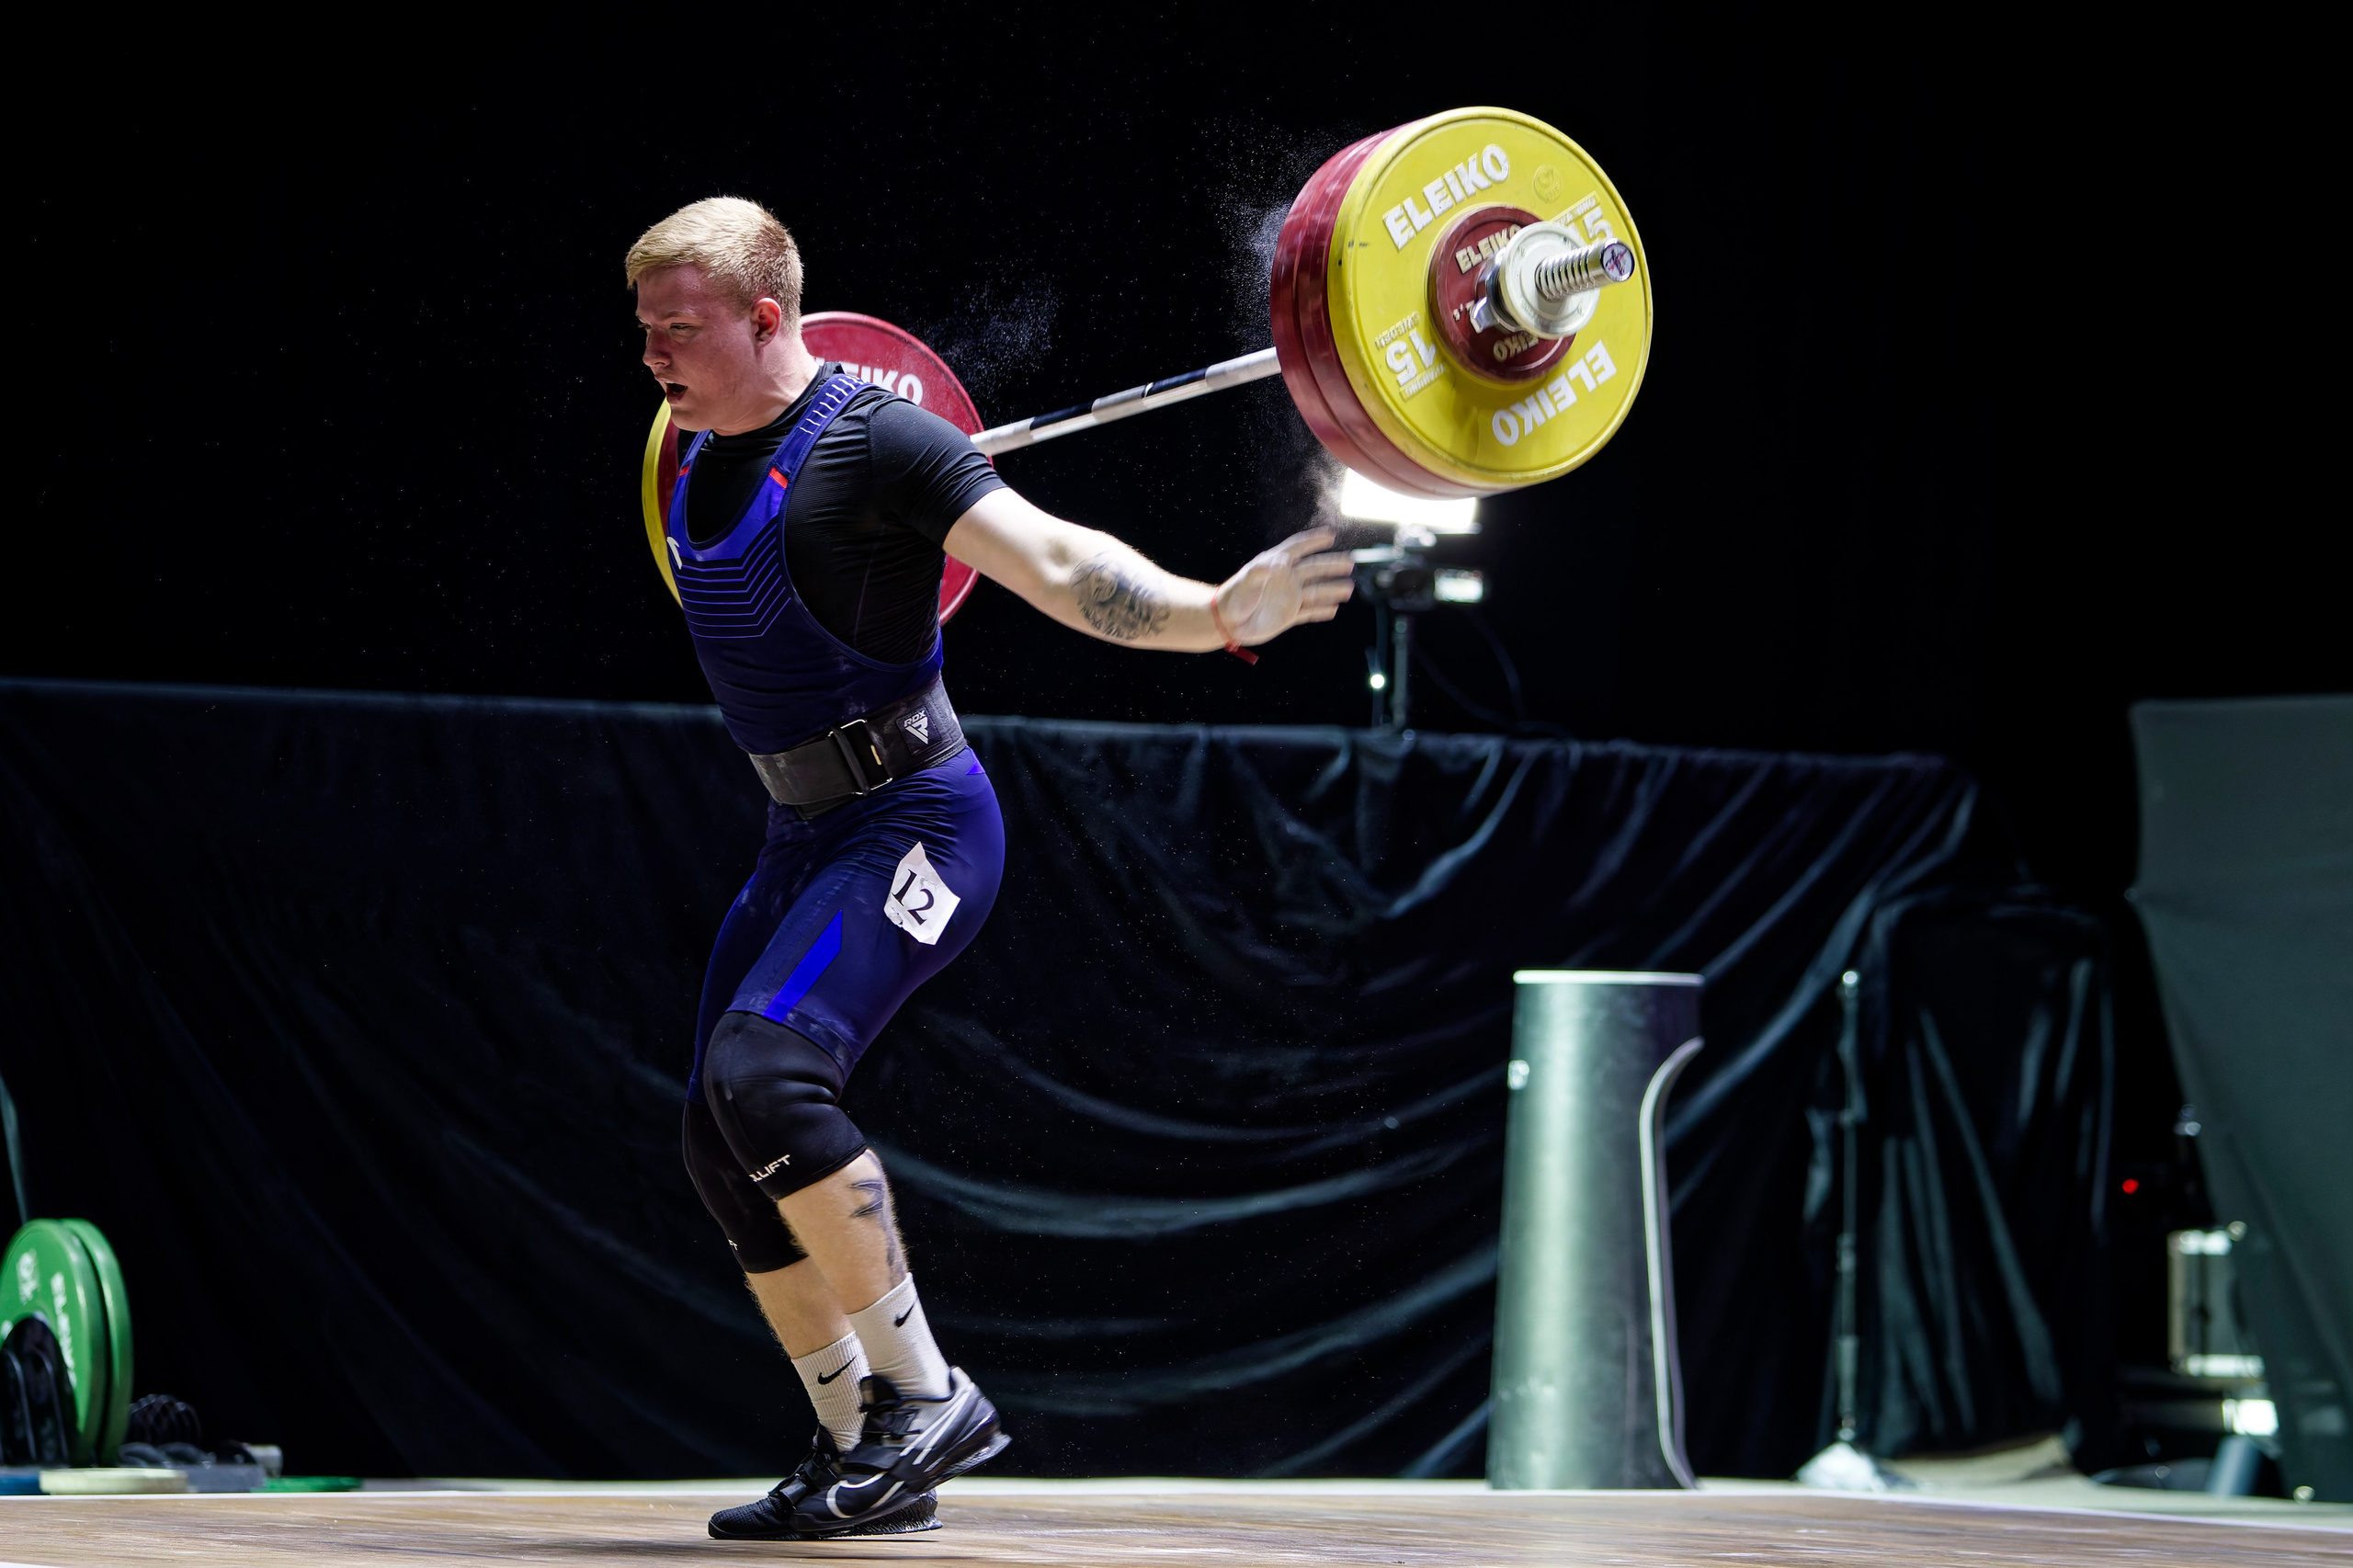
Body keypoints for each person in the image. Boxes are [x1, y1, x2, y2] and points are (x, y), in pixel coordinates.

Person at [628, 197, 1352, 1540]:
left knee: (764, 1077)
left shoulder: (884, 442)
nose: (653, 353)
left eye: (679, 327)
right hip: (799, 832)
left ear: (768, 318)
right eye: (645, 329)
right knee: (718, 1141)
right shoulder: (685, 452)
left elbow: (1057, 560)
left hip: (916, 820)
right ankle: (855, 1442)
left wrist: (1210, 615)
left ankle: (925, 1397)